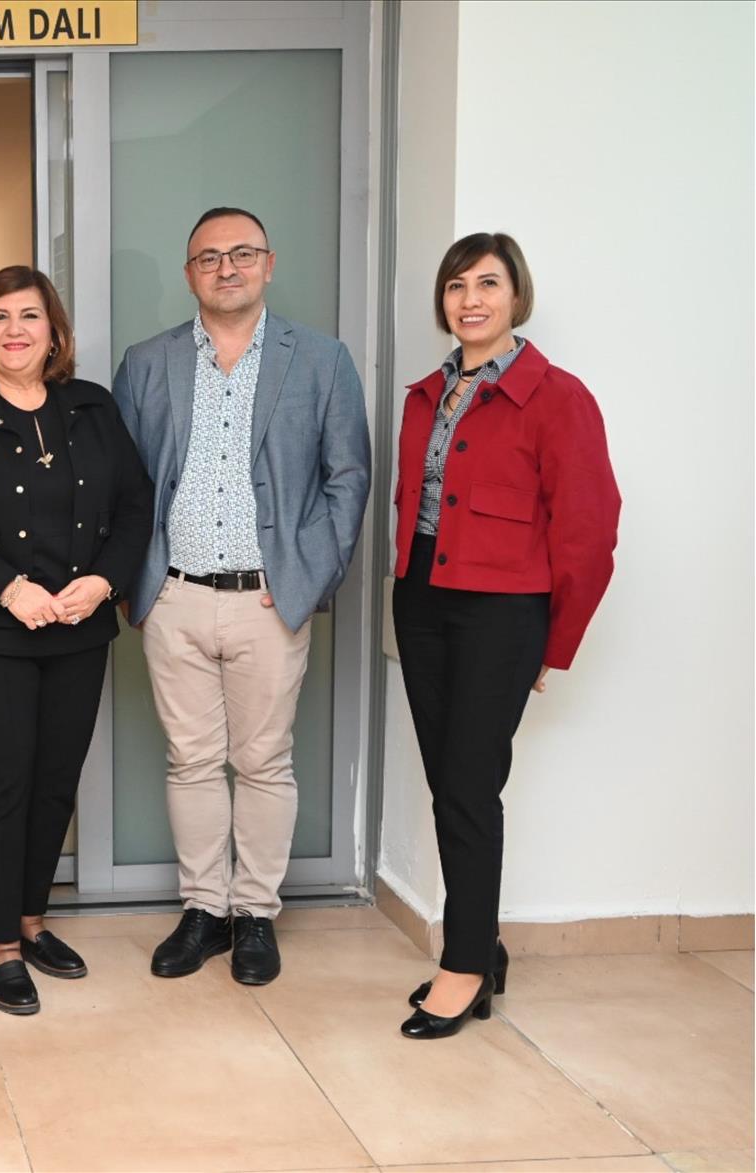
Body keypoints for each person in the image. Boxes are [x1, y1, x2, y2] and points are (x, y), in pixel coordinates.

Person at [113, 207, 370, 988]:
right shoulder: (148, 362)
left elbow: (348, 477)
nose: (227, 268)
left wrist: (308, 578)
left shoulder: (320, 360)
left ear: (268, 262)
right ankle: (205, 910)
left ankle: (255, 912)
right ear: (189, 273)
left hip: (269, 599)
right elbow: (124, 483)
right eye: (210, 257)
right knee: (191, 760)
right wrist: (140, 587)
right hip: (176, 597)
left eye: (242, 253)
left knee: (264, 761)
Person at [0, 265, 151, 1015]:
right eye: (0, 318)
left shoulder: (93, 408)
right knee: (1, 779)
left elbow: (135, 507)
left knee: (54, 779)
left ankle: (32, 916)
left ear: (54, 331)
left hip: (77, 627)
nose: (16, 330)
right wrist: (8, 588)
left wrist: (104, 580)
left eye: (30, 316)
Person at [393, 233, 618, 1039]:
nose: (471, 300)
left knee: (467, 783)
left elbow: (590, 529)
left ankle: (463, 966)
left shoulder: (557, 396)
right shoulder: (427, 393)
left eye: (488, 283)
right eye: (457, 286)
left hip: (503, 612)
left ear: (516, 295)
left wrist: (553, 642)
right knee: (449, 781)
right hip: (421, 598)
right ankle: (480, 942)